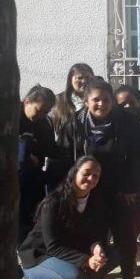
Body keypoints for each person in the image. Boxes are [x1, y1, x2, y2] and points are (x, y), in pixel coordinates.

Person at [57, 78, 140, 279]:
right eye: (96, 100)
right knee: (94, 237)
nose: (101, 104)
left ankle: (127, 278)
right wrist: (71, 189)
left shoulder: (127, 122)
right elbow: (64, 157)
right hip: (88, 191)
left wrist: (131, 187)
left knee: (125, 236)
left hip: (120, 190)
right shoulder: (75, 124)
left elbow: (138, 156)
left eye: (106, 100)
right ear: (86, 101)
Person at [18, 156, 116, 279]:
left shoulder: (94, 201)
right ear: (74, 173)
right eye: (86, 173)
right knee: (74, 278)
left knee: (112, 257)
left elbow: (94, 233)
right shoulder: (53, 203)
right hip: (38, 257)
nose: (91, 178)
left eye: (96, 175)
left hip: (67, 256)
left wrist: (96, 248)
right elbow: (53, 246)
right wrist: (86, 260)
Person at [47, 63, 94, 192]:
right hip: (61, 161)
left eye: (88, 77)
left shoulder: (96, 101)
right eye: (79, 78)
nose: (84, 81)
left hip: (88, 161)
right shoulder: (58, 102)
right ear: (70, 80)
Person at [18, 85, 57, 243]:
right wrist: (26, 150)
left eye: (46, 112)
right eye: (38, 110)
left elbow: (49, 148)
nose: (41, 115)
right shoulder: (10, 117)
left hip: (32, 179)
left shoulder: (44, 123)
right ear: (27, 102)